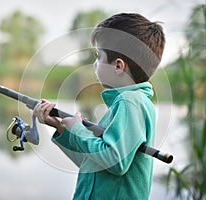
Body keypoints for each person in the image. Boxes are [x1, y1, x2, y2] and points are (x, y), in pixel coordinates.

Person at [34, 13, 165, 200]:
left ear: (118, 66)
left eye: (98, 56)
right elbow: (94, 165)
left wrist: (79, 130)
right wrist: (63, 129)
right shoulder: (125, 103)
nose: (94, 63)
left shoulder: (130, 102)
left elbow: (115, 160)